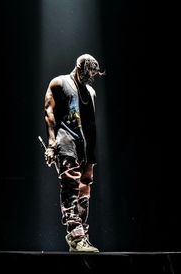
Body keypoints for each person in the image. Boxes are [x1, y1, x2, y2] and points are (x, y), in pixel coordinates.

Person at [44, 53, 104, 252]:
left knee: (84, 190)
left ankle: (80, 236)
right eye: (87, 74)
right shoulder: (60, 83)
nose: (89, 79)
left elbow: (91, 124)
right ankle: (76, 235)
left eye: (92, 76)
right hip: (66, 142)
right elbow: (49, 112)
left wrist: (92, 158)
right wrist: (52, 144)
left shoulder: (91, 91)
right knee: (70, 187)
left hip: (86, 148)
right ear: (78, 68)